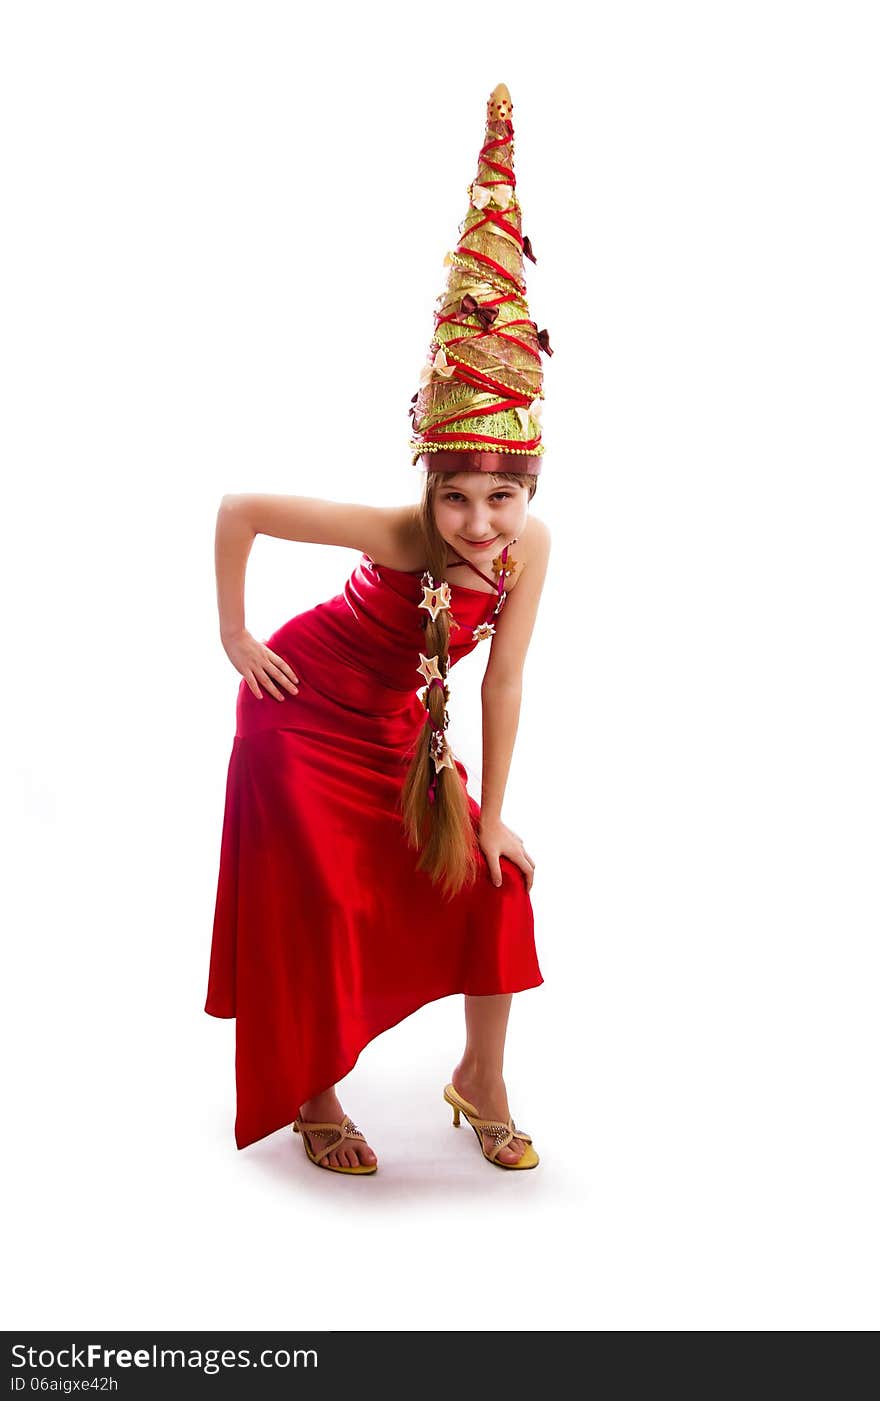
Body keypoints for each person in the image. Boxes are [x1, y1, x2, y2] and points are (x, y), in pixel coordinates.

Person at [205, 82, 554, 1174]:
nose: (480, 521)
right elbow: (241, 511)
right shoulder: (401, 533)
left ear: (527, 489)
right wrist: (236, 637)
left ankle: (479, 1077)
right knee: (319, 893)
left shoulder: (531, 549)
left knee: (495, 881)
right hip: (300, 716)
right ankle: (313, 1090)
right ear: (429, 482)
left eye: (502, 499)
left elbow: (497, 687)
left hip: (398, 729)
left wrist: (491, 812)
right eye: (459, 496)